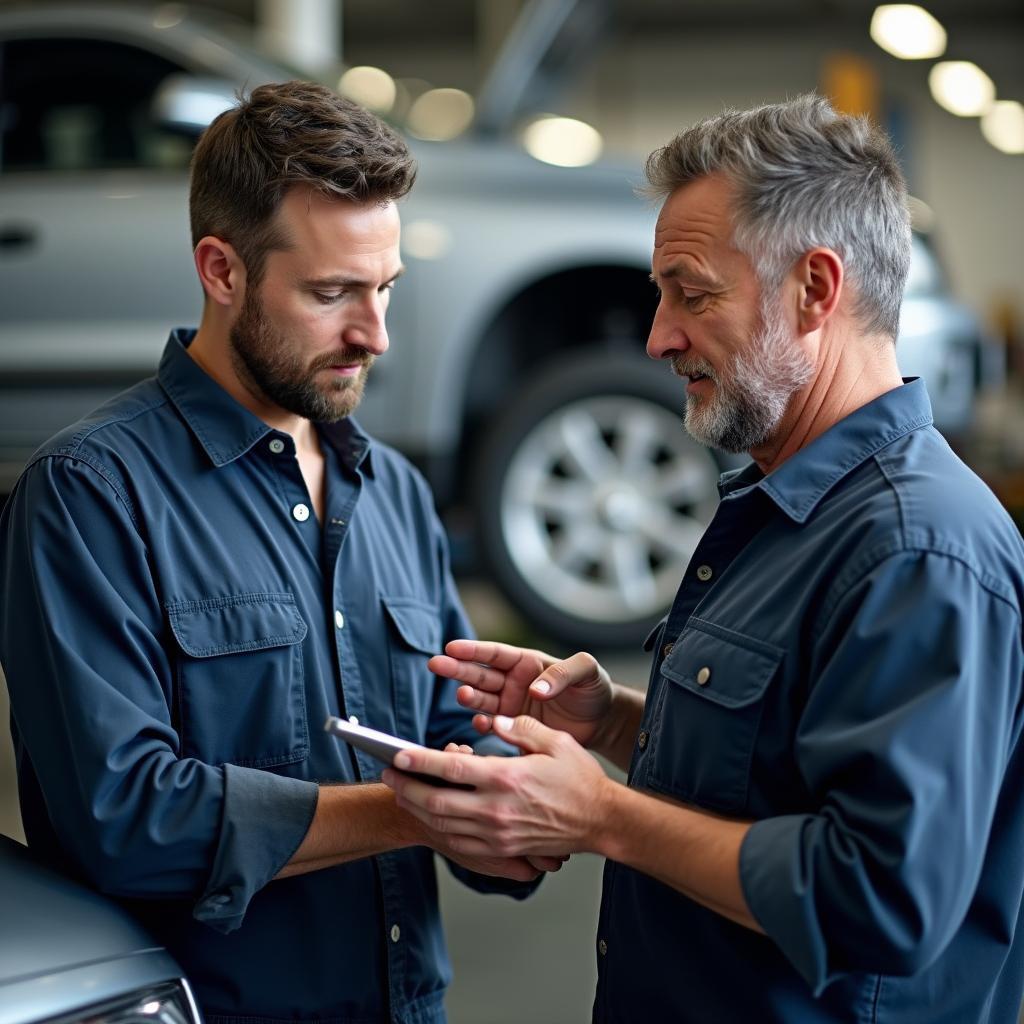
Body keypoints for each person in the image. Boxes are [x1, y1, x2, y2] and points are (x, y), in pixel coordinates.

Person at [383, 94, 1024, 1022]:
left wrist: (603, 817)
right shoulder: (787, 511)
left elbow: (879, 899)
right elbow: (776, 772)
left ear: (816, 289)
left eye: (693, 292)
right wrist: (611, 723)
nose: (658, 336)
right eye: (660, 295)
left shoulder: (915, 551)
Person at [0, 80, 557, 1024]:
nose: (373, 334)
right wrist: (427, 807)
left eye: (385, 289)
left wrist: (516, 801)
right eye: (332, 292)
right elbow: (125, 818)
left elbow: (448, 728)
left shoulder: (397, 496)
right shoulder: (92, 496)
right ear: (221, 270)